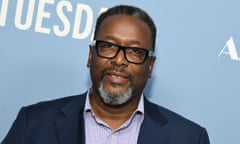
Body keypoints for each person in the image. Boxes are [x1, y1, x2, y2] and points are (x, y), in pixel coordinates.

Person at [1, 5, 210, 144]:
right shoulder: (34, 123)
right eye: (108, 46)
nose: (119, 60)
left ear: (150, 66)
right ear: (91, 56)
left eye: (135, 51)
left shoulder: (189, 138)